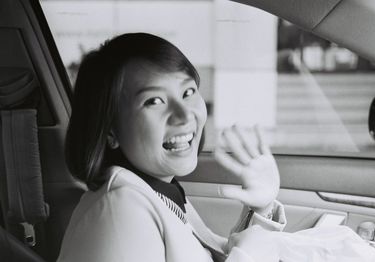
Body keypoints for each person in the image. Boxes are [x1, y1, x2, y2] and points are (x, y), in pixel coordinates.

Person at [57, 32, 286, 262]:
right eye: (154, 101)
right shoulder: (121, 212)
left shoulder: (157, 191)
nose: (185, 115)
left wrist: (261, 210)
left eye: (187, 92)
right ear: (110, 131)